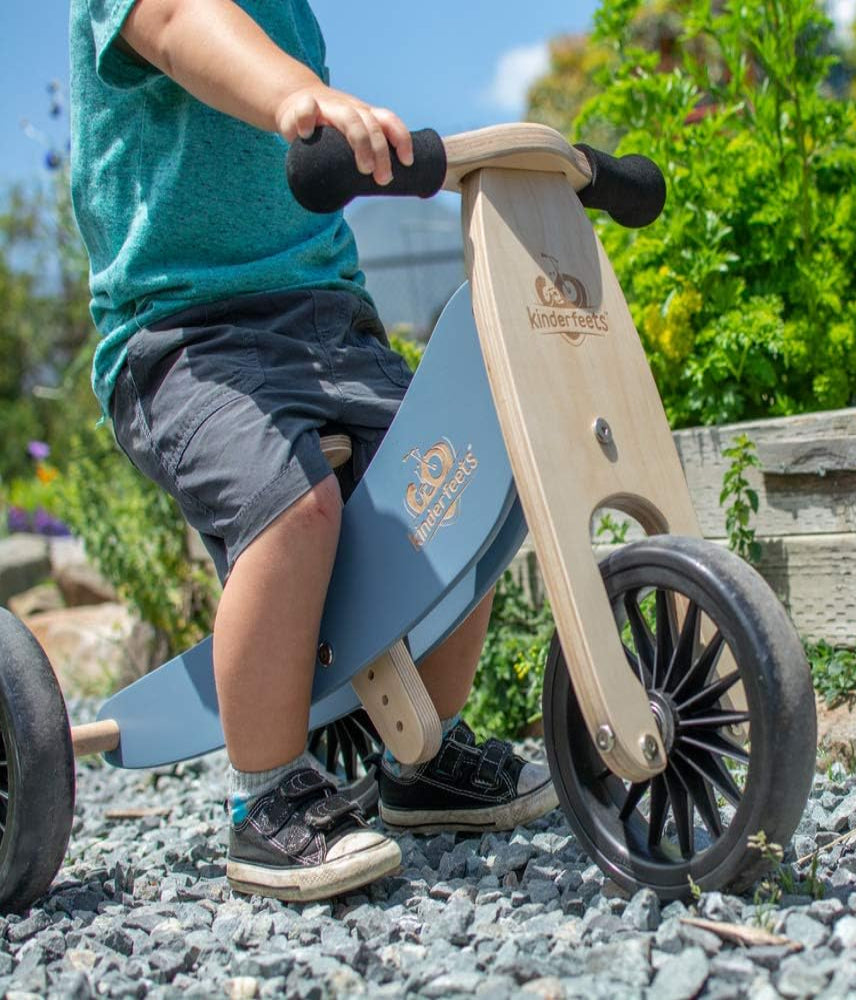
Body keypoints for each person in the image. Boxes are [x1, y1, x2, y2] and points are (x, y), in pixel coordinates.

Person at [69, 0, 557, 901]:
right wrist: (302, 94)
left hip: (325, 321)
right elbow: (178, 23)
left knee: (462, 468)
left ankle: (422, 757)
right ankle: (264, 801)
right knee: (293, 505)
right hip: (182, 335)